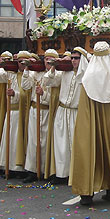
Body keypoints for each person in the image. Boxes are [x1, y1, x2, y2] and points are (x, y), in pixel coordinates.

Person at [72, 41, 110, 205]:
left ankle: (86, 193)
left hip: (93, 124)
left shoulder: (88, 77)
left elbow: (84, 109)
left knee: (91, 150)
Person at [43, 47, 88, 182]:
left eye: (76, 58)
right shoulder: (64, 73)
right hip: (62, 112)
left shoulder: (86, 74)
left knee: (75, 144)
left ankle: (75, 173)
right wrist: (55, 67)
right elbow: (48, 81)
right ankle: (61, 174)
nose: (73, 61)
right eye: (72, 58)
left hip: (76, 112)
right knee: (60, 144)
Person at [20, 49, 59, 183]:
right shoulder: (35, 73)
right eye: (45, 59)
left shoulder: (57, 75)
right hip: (34, 110)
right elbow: (25, 85)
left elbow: (55, 97)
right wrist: (26, 69)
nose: (47, 62)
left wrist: (44, 94)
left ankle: (46, 170)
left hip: (47, 111)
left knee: (46, 142)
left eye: (50, 59)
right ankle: (32, 170)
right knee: (33, 141)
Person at [0, 51, 32, 178]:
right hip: (10, 111)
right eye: (19, 62)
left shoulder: (30, 75)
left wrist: (15, 95)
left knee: (19, 139)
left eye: (24, 62)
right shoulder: (10, 75)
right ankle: (9, 166)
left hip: (22, 112)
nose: (21, 64)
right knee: (9, 139)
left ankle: (19, 168)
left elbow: (27, 94)